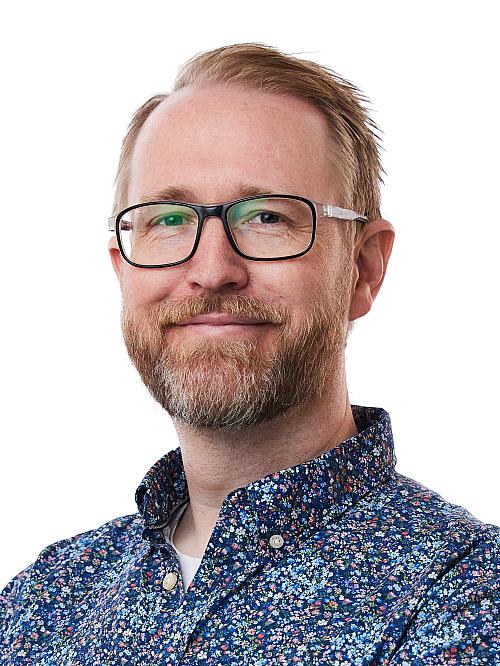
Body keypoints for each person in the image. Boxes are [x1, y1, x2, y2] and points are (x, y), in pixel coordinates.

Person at [1, 42, 498, 665]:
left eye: (266, 217)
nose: (212, 270)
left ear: (364, 268)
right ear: (121, 267)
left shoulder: (470, 600)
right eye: (168, 220)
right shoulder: (42, 604)